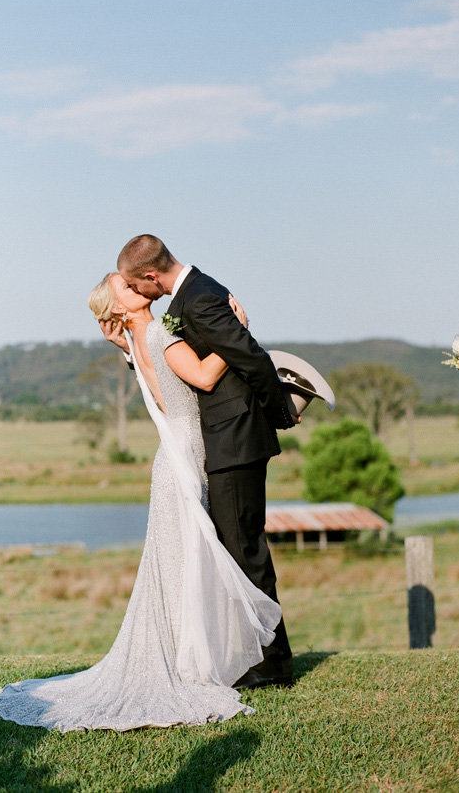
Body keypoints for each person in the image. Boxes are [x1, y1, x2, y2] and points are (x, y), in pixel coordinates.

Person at [0, 273, 281, 732]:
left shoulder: (140, 339)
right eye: (125, 287)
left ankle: (191, 657)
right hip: (187, 454)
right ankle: (197, 662)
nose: (135, 285)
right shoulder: (159, 331)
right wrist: (236, 331)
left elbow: (161, 379)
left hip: (174, 458)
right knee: (186, 562)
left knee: (179, 564)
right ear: (123, 307)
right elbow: (204, 377)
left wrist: (121, 345)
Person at [106, 233, 298, 690]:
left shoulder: (194, 301)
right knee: (236, 547)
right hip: (220, 440)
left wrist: (282, 411)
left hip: (235, 439)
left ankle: (274, 662)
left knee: (245, 549)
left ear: (150, 276)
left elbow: (246, 355)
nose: (140, 293)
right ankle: (257, 653)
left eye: (138, 285)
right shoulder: (191, 297)